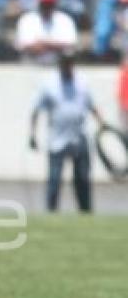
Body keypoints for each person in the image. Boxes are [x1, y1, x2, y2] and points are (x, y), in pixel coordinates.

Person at [29, 54, 105, 212]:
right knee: (55, 179)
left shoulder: (82, 83)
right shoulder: (49, 85)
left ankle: (85, 212)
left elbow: (91, 105)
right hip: (57, 139)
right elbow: (36, 110)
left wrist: (102, 125)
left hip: (79, 136)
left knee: (82, 179)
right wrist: (32, 135)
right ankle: (51, 212)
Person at [16, 0, 78, 64]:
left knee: (68, 54)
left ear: (55, 5)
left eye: (49, 4)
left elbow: (71, 44)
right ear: (39, 4)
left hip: (58, 64)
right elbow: (23, 45)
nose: (47, 7)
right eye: (44, 4)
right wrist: (52, 45)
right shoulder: (27, 19)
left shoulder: (65, 19)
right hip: (32, 63)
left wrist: (45, 44)